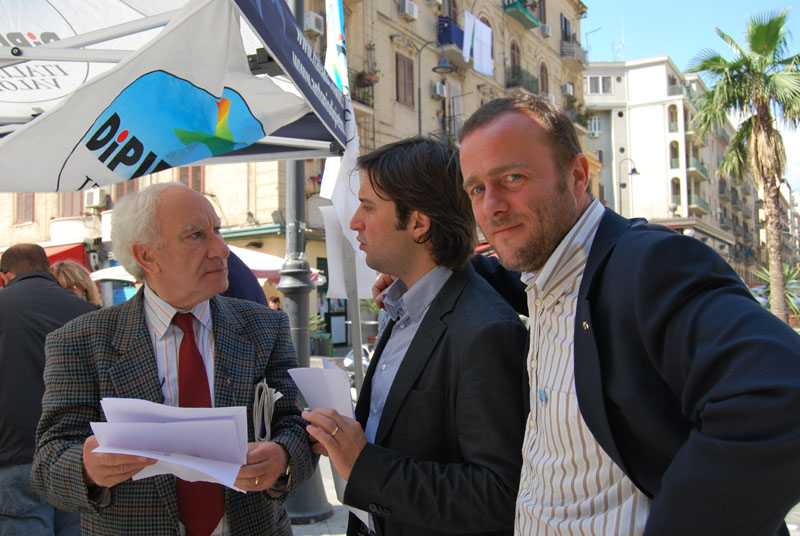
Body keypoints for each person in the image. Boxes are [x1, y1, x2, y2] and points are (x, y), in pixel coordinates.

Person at [457, 93, 800, 535]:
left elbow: (781, 394)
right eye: (477, 189)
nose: (492, 206)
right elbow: (499, 272)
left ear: (577, 176)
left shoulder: (646, 265)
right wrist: (428, 270)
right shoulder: (543, 271)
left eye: (513, 177)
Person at [31, 183, 315, 535]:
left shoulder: (264, 327)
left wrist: (283, 457)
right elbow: (48, 463)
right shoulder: (80, 341)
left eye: (217, 231)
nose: (221, 249)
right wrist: (86, 467)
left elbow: (296, 425)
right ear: (147, 256)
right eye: (195, 235)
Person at [303, 137, 528, 536]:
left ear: (419, 224)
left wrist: (365, 467)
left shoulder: (486, 331)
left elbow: (499, 494)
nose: (355, 222)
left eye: (368, 206)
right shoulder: (404, 305)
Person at [0, 244, 97, 535]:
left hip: (15, 452)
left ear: (5, 276)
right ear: (48, 269)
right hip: (77, 455)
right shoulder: (87, 311)